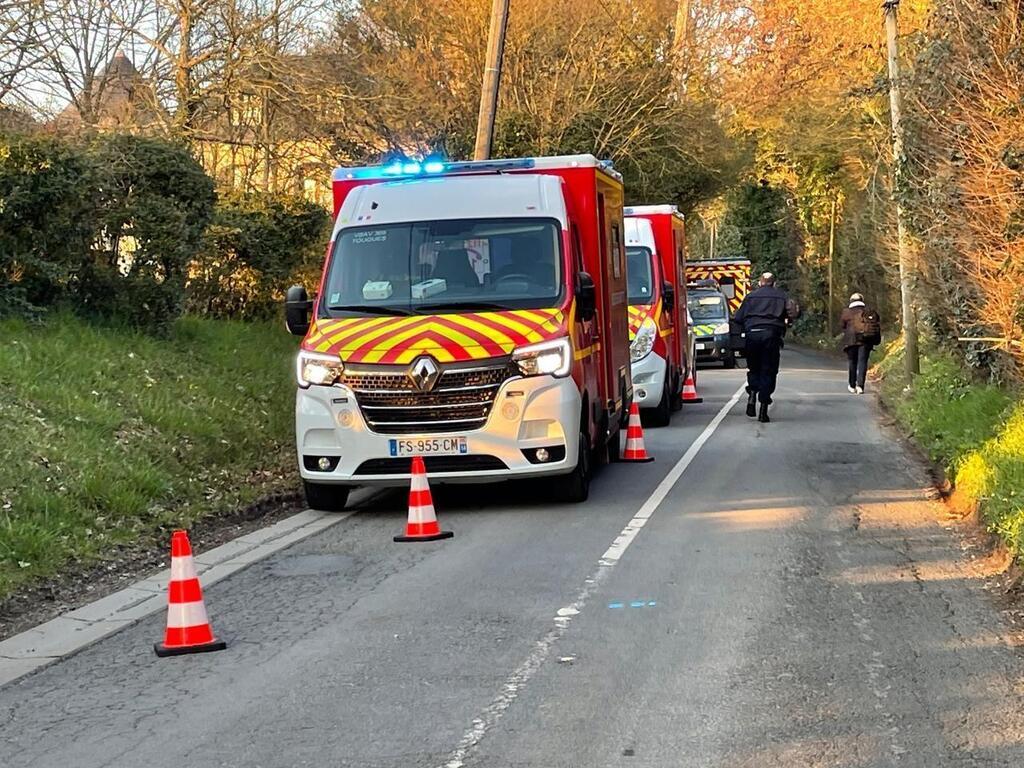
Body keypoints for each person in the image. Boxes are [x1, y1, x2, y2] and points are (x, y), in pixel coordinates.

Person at [732, 272, 790, 423]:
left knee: (754, 368)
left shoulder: (750, 297)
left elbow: (738, 318)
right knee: (769, 370)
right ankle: (763, 409)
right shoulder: (781, 296)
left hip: (752, 336)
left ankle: (752, 394)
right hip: (771, 336)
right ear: (774, 283)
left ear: (760, 282)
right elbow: (793, 311)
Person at [840, 293, 881, 394]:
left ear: (851, 301)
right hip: (865, 340)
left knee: (852, 362)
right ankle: (860, 386)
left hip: (851, 341)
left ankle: (852, 385)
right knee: (862, 362)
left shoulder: (846, 312)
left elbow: (842, 326)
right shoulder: (868, 311)